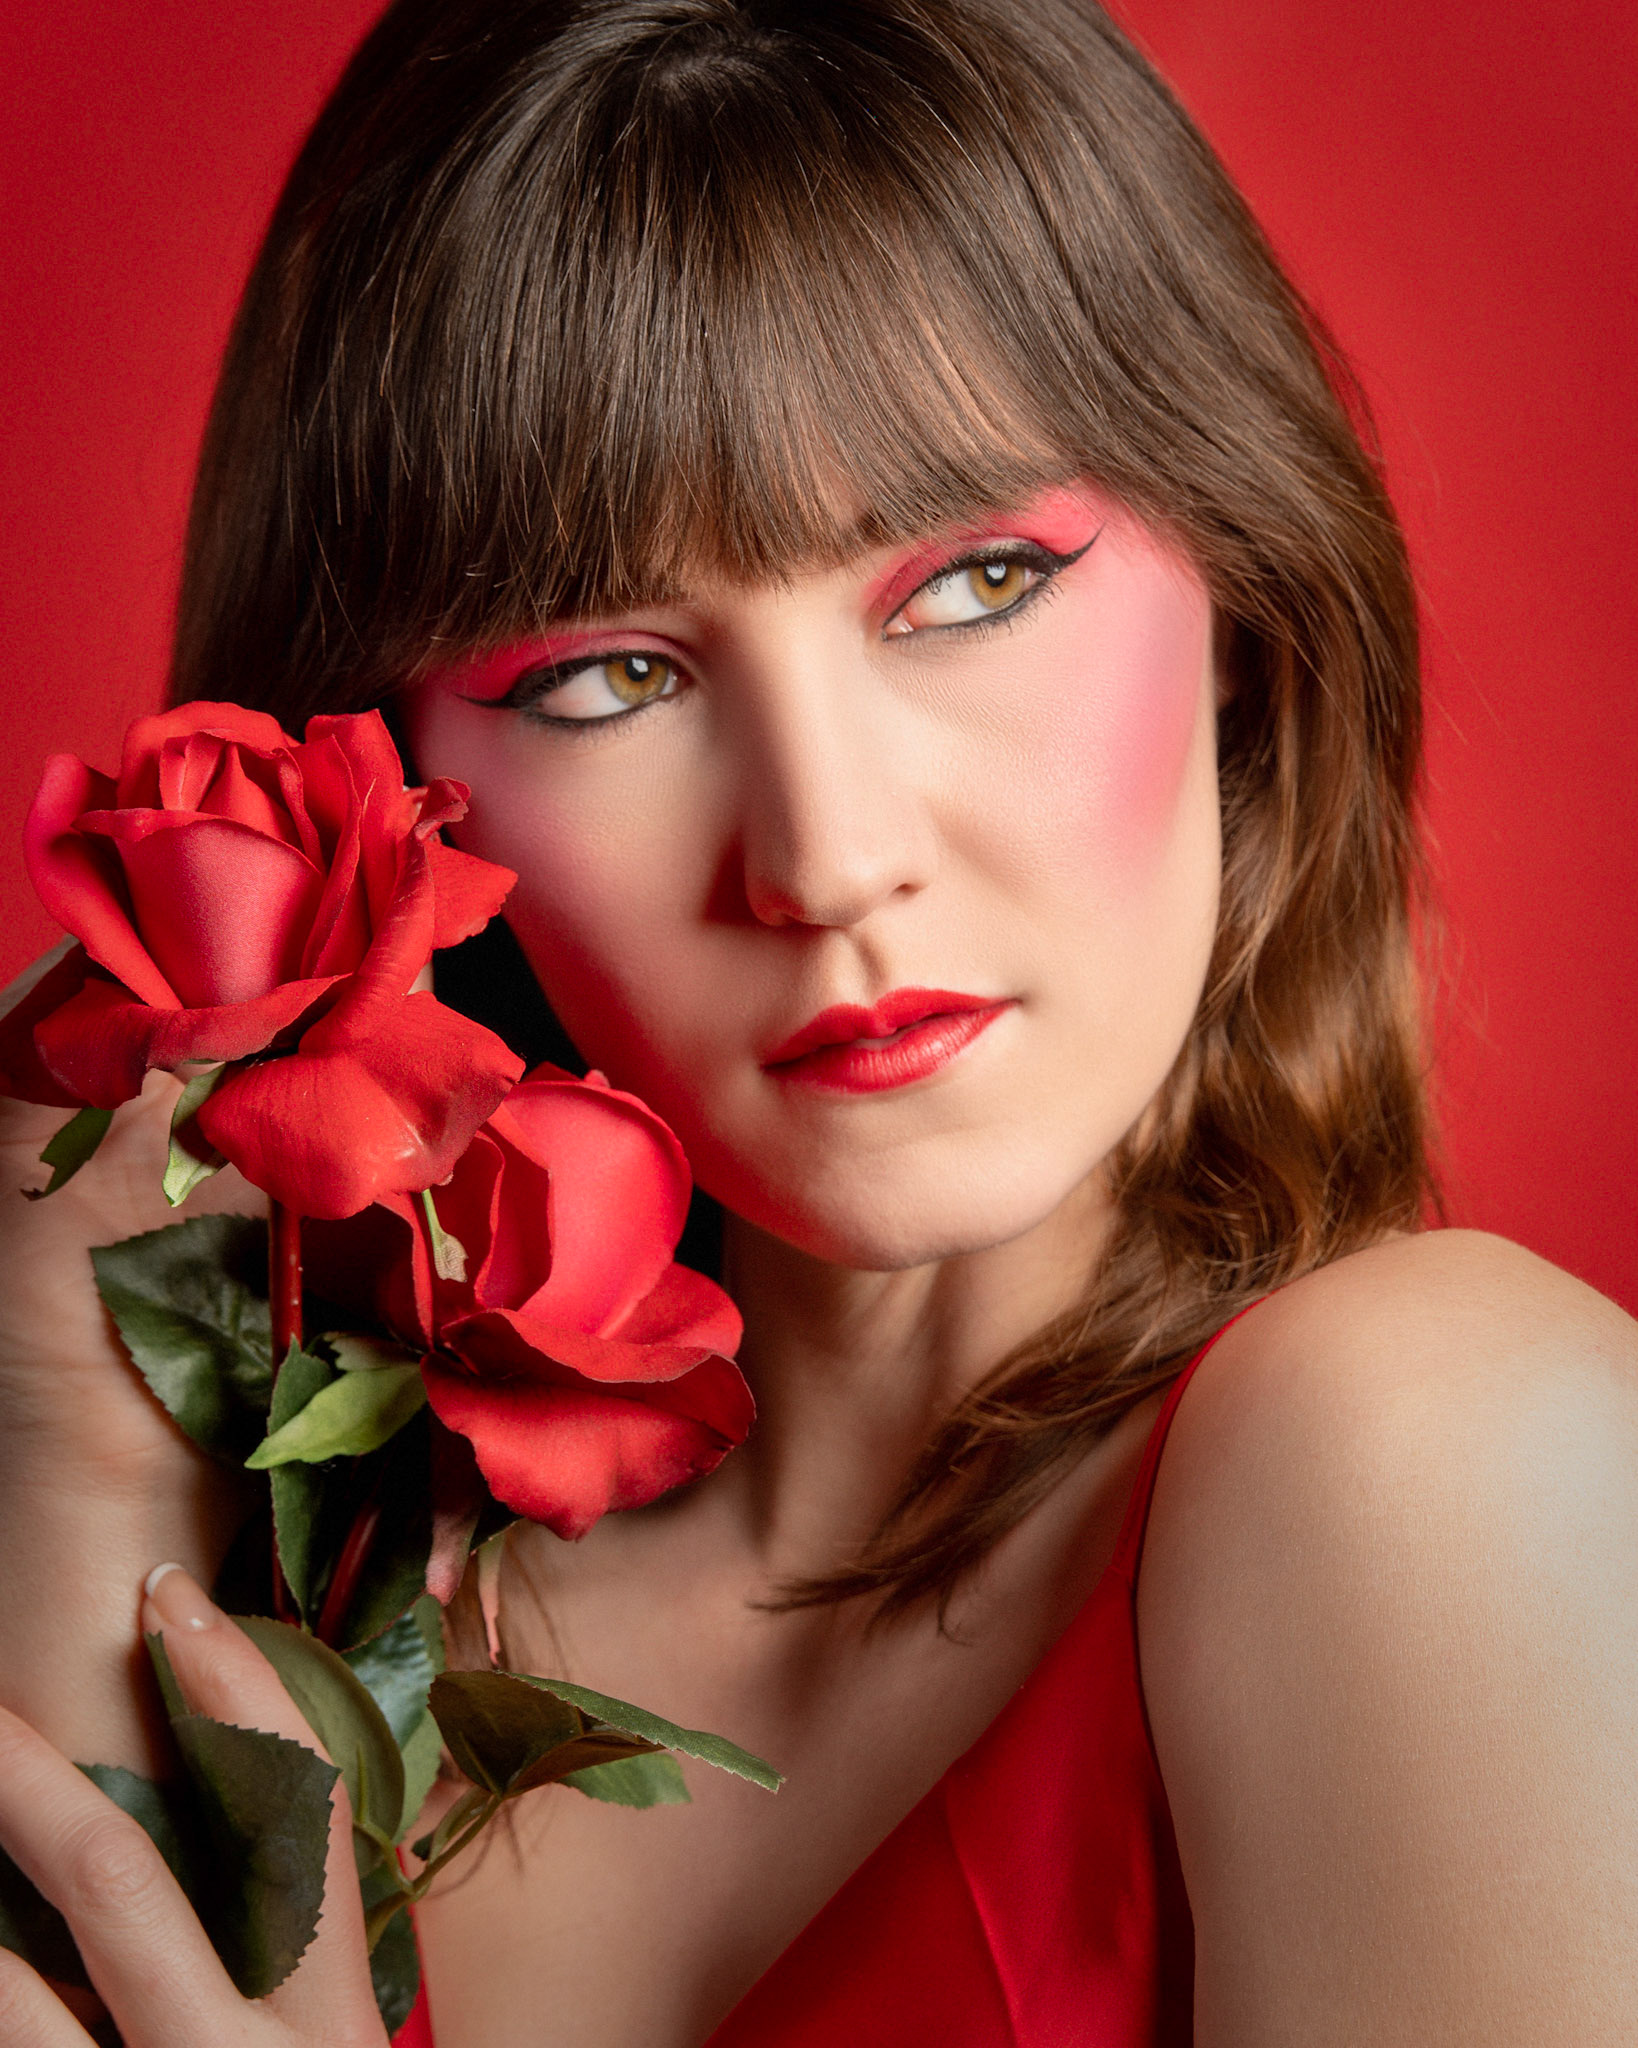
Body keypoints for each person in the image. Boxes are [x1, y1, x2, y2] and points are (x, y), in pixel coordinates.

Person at [1, 2, 1634, 2043]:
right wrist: (77, 1447)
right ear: (393, 777)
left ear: (1243, 596)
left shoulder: (1438, 1461)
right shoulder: (343, 1601)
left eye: (974, 585)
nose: (831, 858)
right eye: (606, 676)